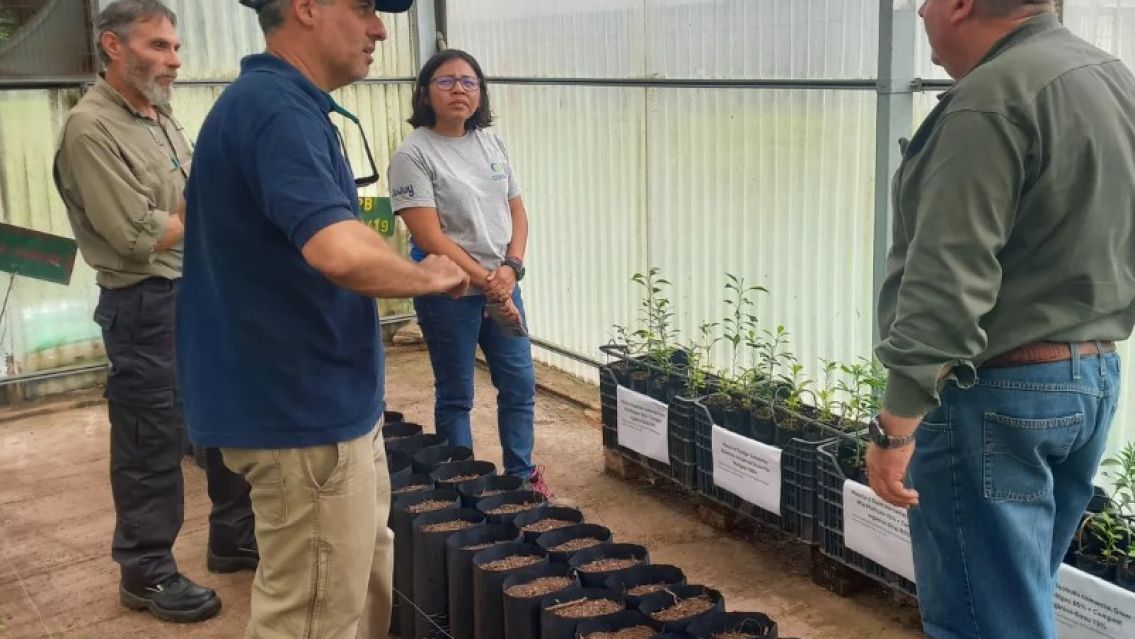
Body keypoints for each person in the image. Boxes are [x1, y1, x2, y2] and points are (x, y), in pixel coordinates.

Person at [179, 0, 468, 636]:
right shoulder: (275, 111)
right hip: (297, 413)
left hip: (327, 404)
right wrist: (425, 277)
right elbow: (336, 252)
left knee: (357, 582)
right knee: (312, 615)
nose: (380, 29)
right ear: (306, 7)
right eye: (364, 7)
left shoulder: (291, 107)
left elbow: (339, 229)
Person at [869, 1, 1135, 637]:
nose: (922, 12)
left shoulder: (989, 100)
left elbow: (947, 277)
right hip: (1089, 381)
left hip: (996, 396)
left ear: (962, 5)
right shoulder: (1110, 78)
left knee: (983, 621)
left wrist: (894, 428)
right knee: (1015, 600)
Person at [52, 0, 256, 624]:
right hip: (144, 303)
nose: (174, 60)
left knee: (222, 417)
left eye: (175, 47)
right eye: (158, 47)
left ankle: (232, 536)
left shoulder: (159, 117)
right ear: (112, 47)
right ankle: (145, 572)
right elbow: (135, 232)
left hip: (197, 290)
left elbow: (189, 200)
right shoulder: (91, 128)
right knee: (150, 440)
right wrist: (211, 211)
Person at [388, 49, 552, 496]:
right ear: (425, 92)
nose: (459, 89)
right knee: (457, 393)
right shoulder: (413, 154)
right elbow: (431, 236)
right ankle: (465, 488)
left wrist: (511, 269)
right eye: (446, 81)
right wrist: (487, 282)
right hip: (450, 292)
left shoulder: (491, 142)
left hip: (503, 286)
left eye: (469, 82)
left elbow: (517, 211)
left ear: (480, 93)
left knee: (519, 385)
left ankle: (521, 478)